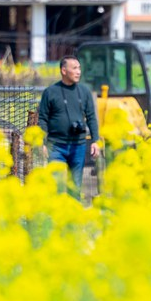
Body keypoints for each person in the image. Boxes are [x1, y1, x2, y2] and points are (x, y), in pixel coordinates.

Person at [38, 56, 100, 201]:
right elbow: (42, 119)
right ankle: (56, 218)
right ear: (63, 71)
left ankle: (73, 219)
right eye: (74, 68)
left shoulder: (84, 92)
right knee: (56, 185)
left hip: (78, 145)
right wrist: (42, 142)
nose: (78, 72)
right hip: (56, 146)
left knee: (75, 186)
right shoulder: (50, 92)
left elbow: (91, 117)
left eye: (79, 68)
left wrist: (95, 141)